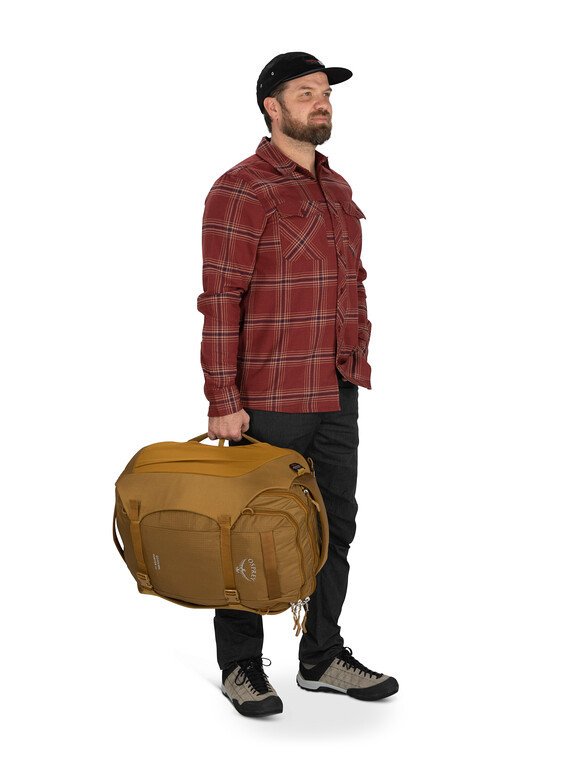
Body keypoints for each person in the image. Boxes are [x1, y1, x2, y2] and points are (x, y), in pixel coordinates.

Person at [197, 51, 399, 717]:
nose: (322, 102)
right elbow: (220, 300)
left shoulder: (335, 188)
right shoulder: (241, 189)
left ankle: (321, 657)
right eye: (305, 92)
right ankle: (240, 666)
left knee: (335, 527)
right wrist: (223, 400)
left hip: (336, 386)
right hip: (269, 396)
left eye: (325, 93)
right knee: (250, 531)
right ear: (272, 107)